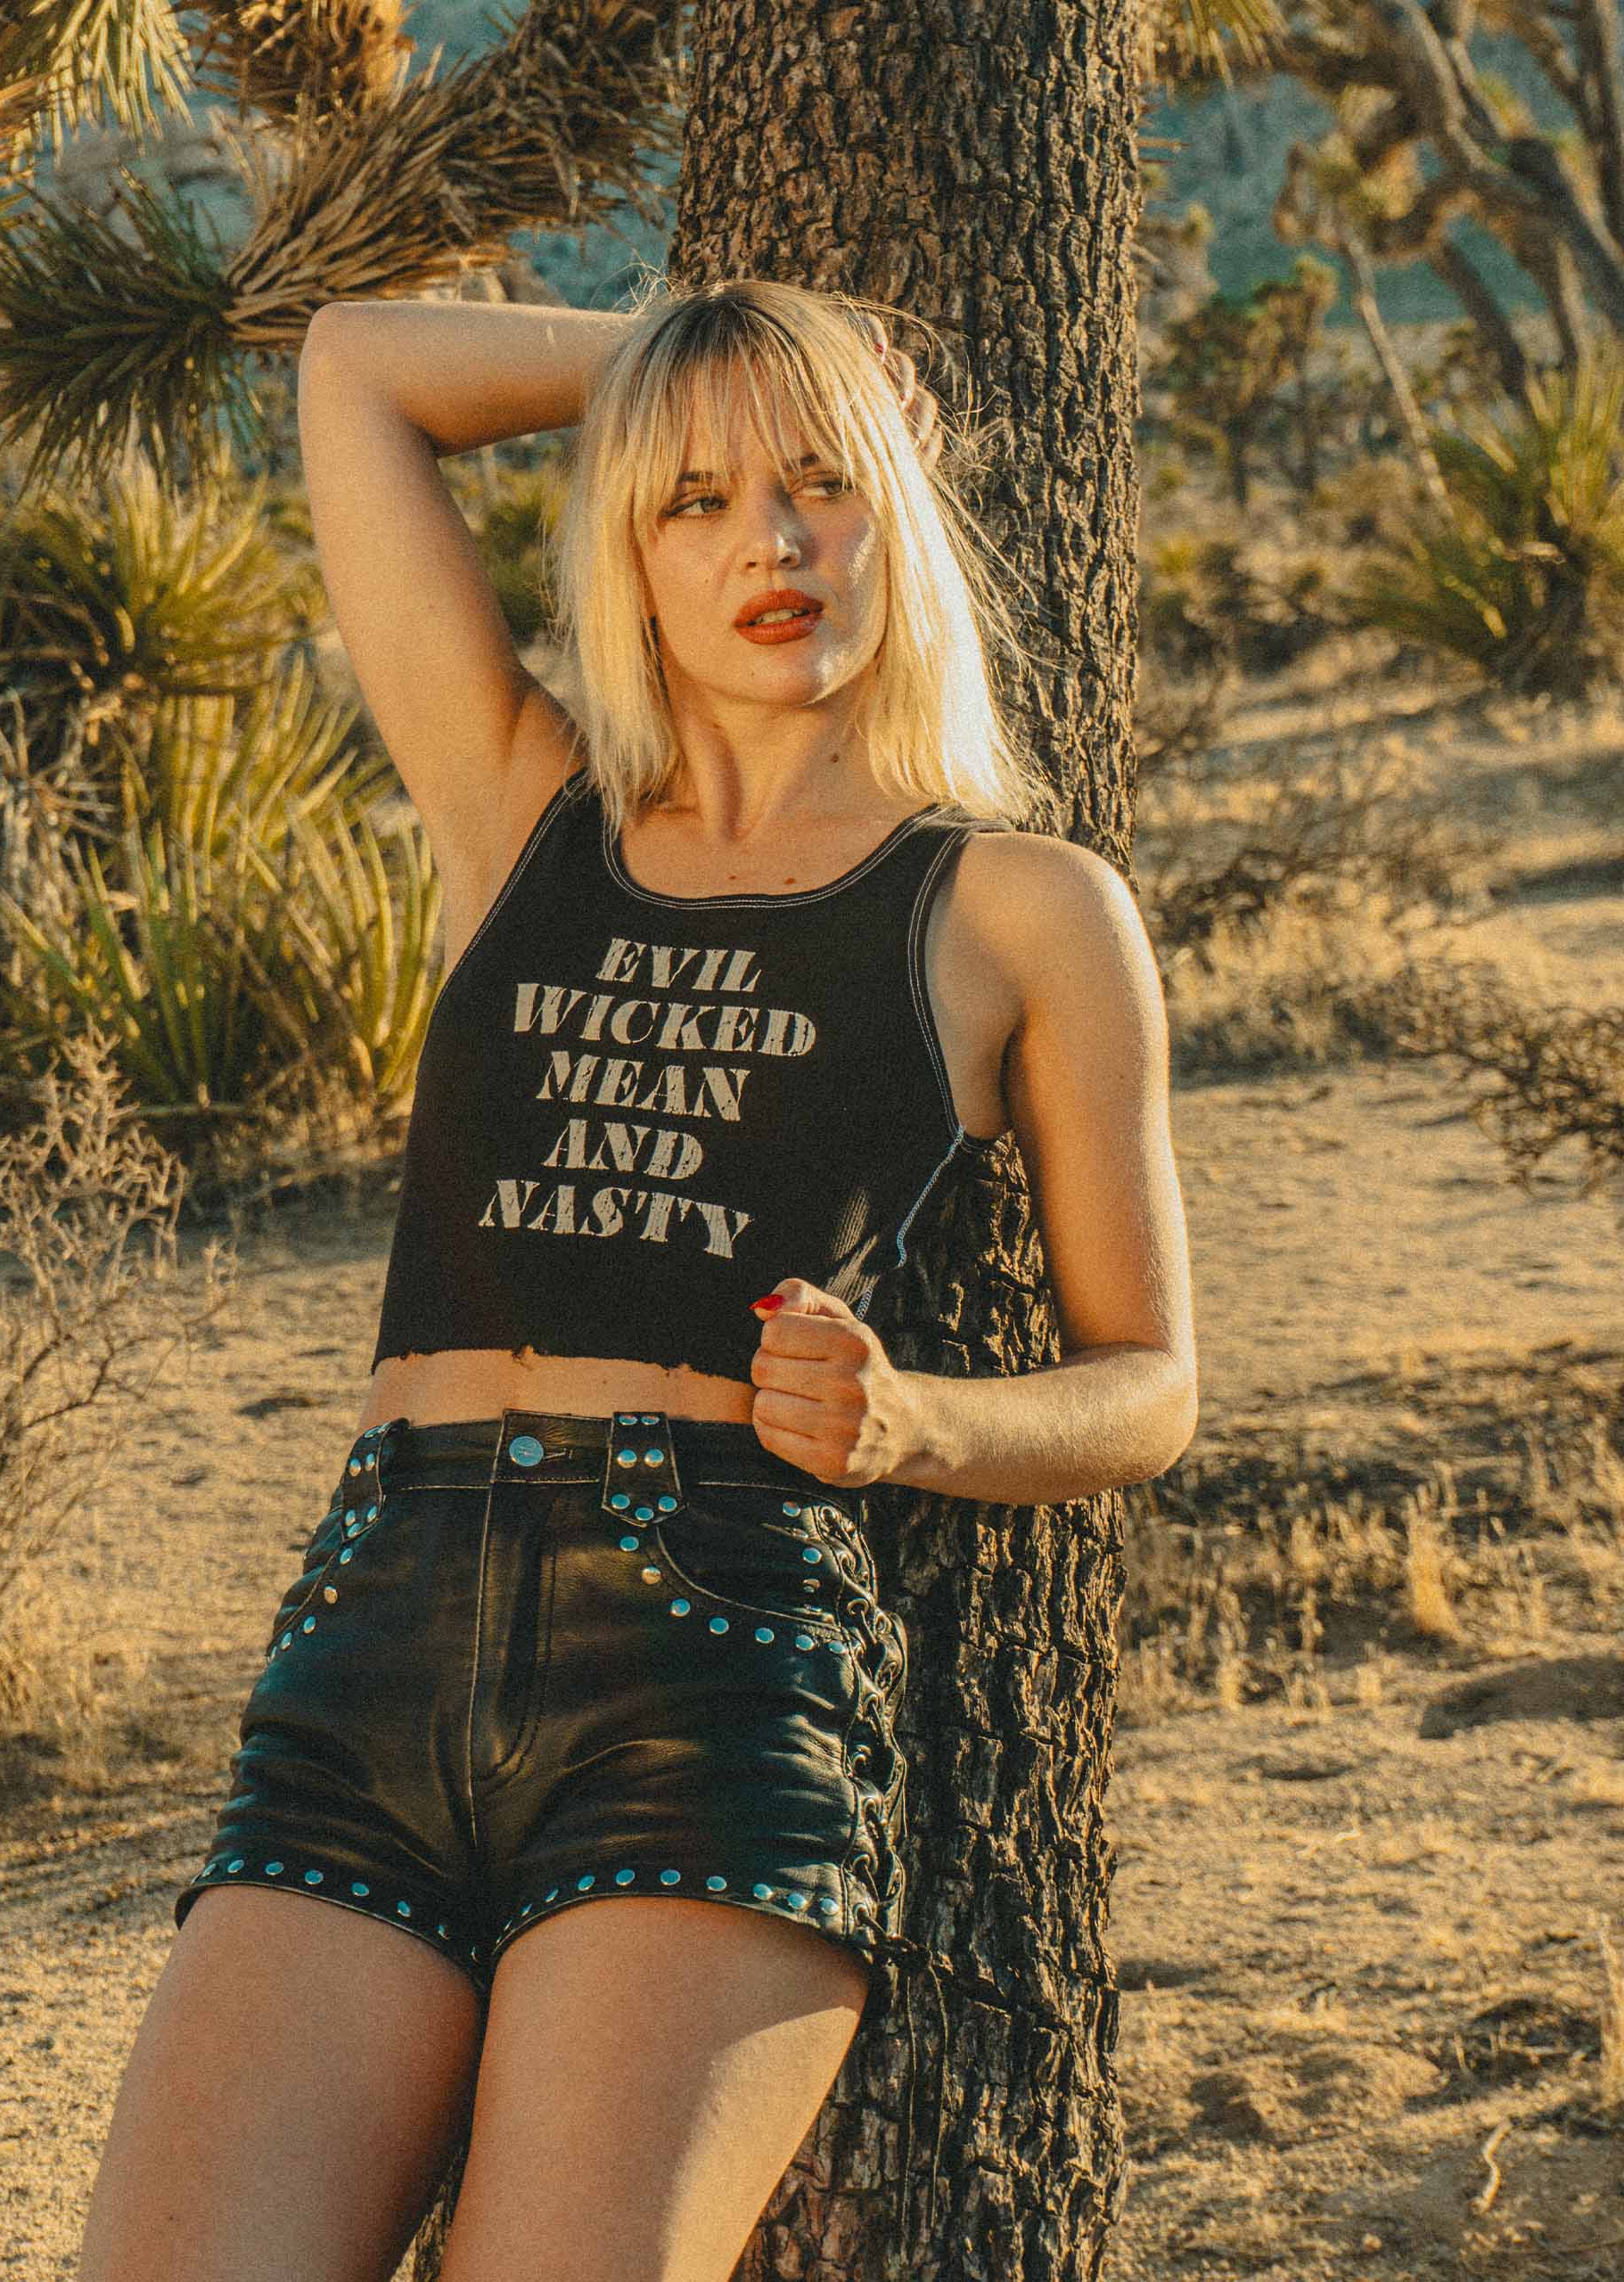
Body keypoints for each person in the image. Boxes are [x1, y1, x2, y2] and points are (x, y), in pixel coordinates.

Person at [76, 276, 1197, 2282]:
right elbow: (358, 369)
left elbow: (1147, 1378)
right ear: (630, 552)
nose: (770, 540)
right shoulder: (527, 814)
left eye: (823, 481)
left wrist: (918, 1417)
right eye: (694, 499)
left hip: (714, 1662)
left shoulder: (1019, 906)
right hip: (372, 1635)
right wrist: (696, 359)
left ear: (897, 516)